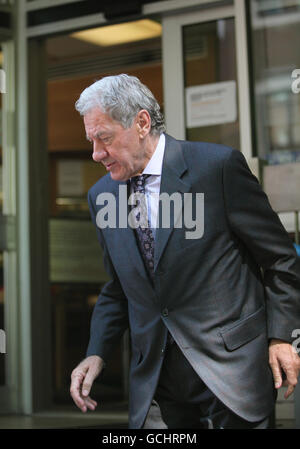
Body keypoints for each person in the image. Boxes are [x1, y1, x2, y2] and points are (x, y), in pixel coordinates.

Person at [70, 74, 300, 429]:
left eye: (104, 138)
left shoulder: (216, 168)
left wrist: (281, 335)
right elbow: (118, 288)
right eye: (92, 141)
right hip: (158, 384)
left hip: (233, 371)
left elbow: (280, 257)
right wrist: (97, 352)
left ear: (142, 122)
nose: (97, 154)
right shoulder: (102, 195)